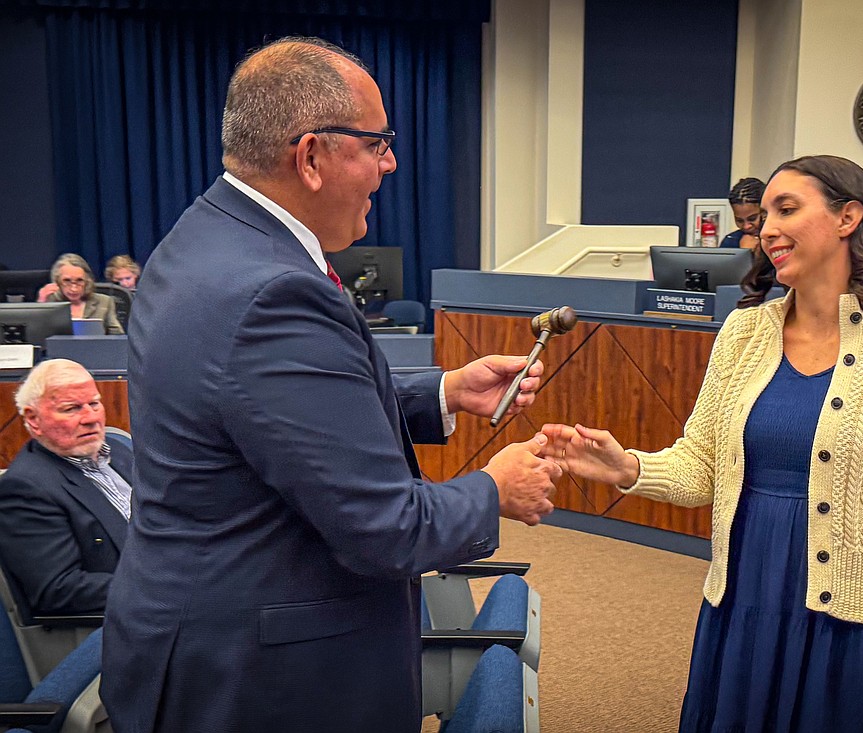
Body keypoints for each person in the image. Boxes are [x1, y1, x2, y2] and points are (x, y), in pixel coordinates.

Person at [101, 37, 558, 733]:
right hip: (263, 680)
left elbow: (266, 414)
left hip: (200, 632)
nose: (391, 162)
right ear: (311, 155)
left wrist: (441, 392)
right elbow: (387, 530)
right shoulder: (272, 290)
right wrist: (497, 489)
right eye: (377, 143)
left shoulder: (209, 237)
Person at [542, 155, 863, 733]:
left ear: (848, 217)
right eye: (765, 214)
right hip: (743, 606)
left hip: (851, 623)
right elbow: (702, 467)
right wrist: (627, 467)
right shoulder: (744, 331)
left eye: (787, 209)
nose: (766, 227)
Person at [0, 359, 132, 619]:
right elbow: (58, 589)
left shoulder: (119, 453)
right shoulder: (26, 489)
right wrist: (160, 590)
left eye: (94, 404)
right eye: (72, 409)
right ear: (33, 420)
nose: (91, 418)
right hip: (120, 624)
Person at [37, 253, 125, 334]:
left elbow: (118, 337)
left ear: (87, 281)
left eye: (79, 280)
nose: (74, 288)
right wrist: (41, 303)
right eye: (67, 281)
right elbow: (37, 337)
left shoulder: (104, 302)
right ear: (57, 281)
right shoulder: (50, 302)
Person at [719, 177, 765, 249]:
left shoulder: (780, 239)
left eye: (752, 219)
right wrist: (744, 252)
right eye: (739, 220)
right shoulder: (730, 242)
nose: (746, 226)